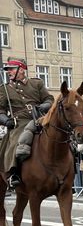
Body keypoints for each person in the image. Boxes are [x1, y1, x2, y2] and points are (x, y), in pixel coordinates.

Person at [0, 57, 53, 187]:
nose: (8, 72)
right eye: (7, 70)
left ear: (21, 70)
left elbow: (49, 100)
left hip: (39, 118)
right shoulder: (4, 89)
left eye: (11, 69)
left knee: (59, 134)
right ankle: (13, 173)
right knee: (15, 141)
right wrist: (6, 120)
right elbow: (0, 110)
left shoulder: (36, 83)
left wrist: (43, 107)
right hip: (19, 122)